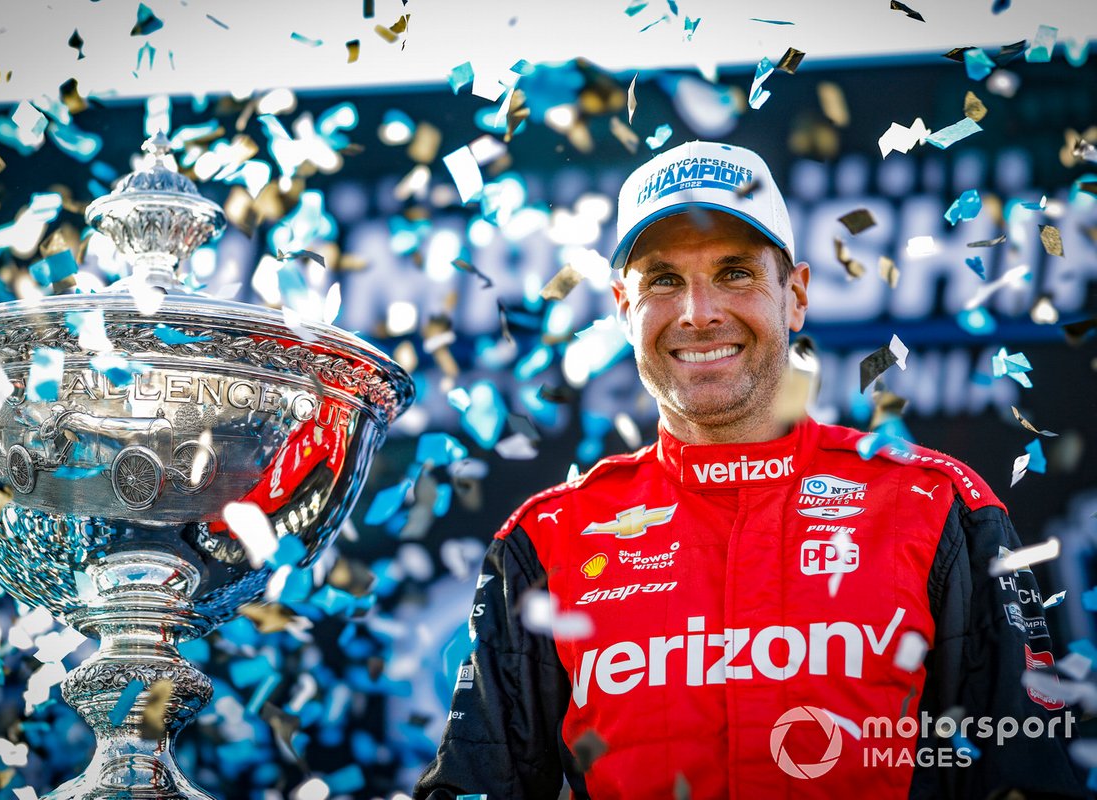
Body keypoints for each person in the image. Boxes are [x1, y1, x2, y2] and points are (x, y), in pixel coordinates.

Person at [414, 141, 1086, 799]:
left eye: (735, 272)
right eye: (665, 280)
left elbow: (1025, 780)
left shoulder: (938, 506)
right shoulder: (548, 540)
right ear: (623, 307)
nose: (699, 313)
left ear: (794, 296)